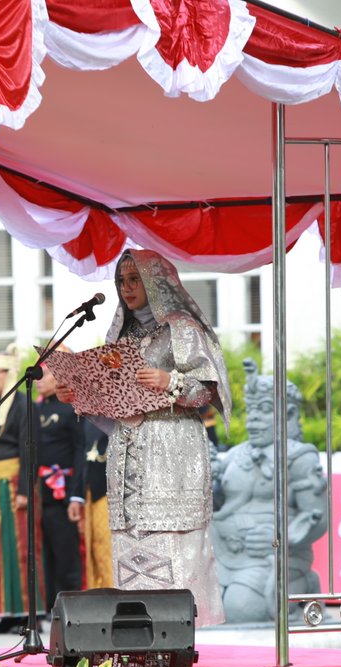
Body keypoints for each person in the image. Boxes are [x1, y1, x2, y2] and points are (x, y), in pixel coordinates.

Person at [55, 249, 231, 627]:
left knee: (172, 540)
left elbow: (206, 393)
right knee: (132, 542)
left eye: (135, 279)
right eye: (122, 280)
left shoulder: (182, 329)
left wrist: (172, 381)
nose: (127, 288)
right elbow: (116, 405)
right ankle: (139, 632)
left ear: (156, 281)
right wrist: (80, 397)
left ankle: (181, 630)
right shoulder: (120, 334)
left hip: (173, 449)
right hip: (128, 450)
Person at [211, 358, 327, 623]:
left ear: (289, 415)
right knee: (201, 607)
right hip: (226, 556)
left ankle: (305, 583)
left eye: (264, 410)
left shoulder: (300, 458)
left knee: (241, 608)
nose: (253, 418)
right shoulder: (234, 455)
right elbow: (217, 503)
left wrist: (279, 536)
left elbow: (318, 519)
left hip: (273, 558)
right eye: (250, 410)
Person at [0, 345, 45, 634]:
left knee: (21, 547)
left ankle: (30, 615)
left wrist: (26, 489)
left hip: (15, 484)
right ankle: (5, 613)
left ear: (7, 374)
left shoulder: (24, 405)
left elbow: (30, 448)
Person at [35, 362, 85, 616]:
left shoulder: (71, 408)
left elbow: (80, 450)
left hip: (63, 491)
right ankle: (48, 608)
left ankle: (71, 608)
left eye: (45, 375)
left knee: (65, 551)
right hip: (39, 492)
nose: (39, 381)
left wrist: (76, 492)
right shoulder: (35, 408)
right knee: (45, 553)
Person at [79, 421, 113, 589]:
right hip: (91, 489)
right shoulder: (87, 417)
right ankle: (98, 592)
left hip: (113, 491)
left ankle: (114, 590)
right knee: (94, 544)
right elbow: (81, 451)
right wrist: (77, 495)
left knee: (109, 545)